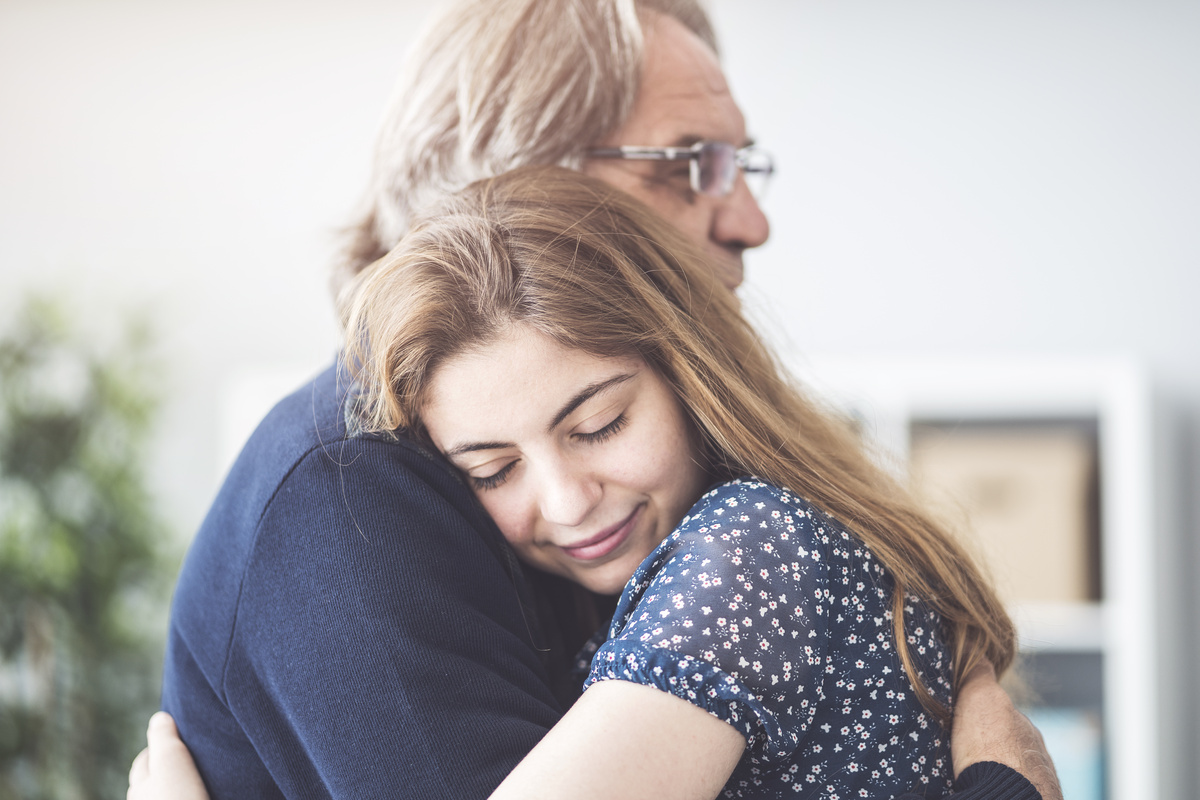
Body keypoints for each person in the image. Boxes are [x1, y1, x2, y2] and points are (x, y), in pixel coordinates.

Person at [153, 1, 1060, 798]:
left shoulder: (729, 525)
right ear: (521, 188)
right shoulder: (350, 490)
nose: (750, 220)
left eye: (598, 425)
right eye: (687, 165)